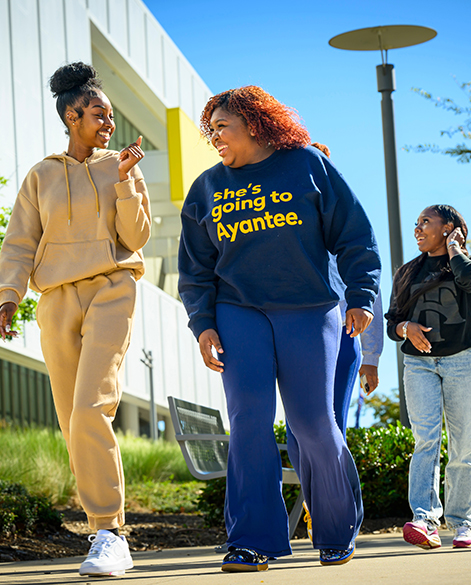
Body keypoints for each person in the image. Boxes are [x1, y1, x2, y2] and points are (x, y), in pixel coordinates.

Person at [178, 86, 381, 572]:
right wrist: (203, 324)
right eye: (210, 130)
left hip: (308, 308)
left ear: (254, 123)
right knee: (248, 420)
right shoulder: (207, 187)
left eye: (222, 126)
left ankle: (334, 531)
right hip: (237, 311)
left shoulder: (308, 165)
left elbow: (355, 235)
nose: (214, 137)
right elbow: (195, 269)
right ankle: (252, 541)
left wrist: (362, 297)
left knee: (311, 422)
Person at [0, 62, 151, 577]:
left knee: (91, 407)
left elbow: (138, 237)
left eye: (109, 114)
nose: (109, 123)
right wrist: (9, 295)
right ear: (71, 115)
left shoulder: (121, 166)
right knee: (71, 420)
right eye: (99, 114)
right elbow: (20, 240)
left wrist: (125, 181)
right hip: (56, 298)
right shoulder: (41, 174)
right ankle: (101, 527)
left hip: (112, 288)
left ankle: (110, 532)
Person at [284, 143, 384, 542]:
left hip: (343, 336)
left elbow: (367, 288)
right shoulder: (286, 221)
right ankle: (317, 502)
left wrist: (371, 357)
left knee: (330, 426)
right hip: (299, 336)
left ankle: (339, 514)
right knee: (296, 430)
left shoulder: (341, 221)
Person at [385, 204, 471, 550]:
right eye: (416, 223)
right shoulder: (405, 273)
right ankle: (425, 519)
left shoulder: (470, 265)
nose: (417, 229)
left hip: (461, 362)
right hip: (419, 365)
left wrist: (456, 247)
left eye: (425, 222)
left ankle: (462, 522)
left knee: (463, 445)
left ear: (448, 227)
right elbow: (392, 322)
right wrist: (405, 327)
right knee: (426, 440)